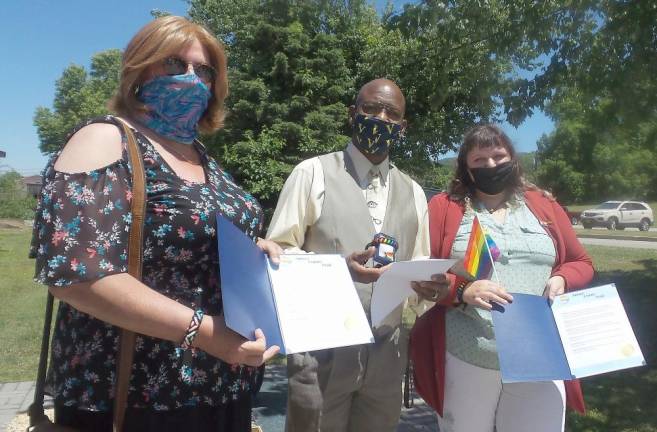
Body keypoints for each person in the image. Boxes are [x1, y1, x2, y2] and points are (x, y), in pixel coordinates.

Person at [29, 16, 280, 432]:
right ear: (138, 71)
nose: (191, 78)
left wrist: (256, 249)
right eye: (173, 64)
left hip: (221, 389)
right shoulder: (105, 139)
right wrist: (207, 333)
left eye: (204, 70)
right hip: (134, 397)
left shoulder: (201, 157)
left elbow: (191, 242)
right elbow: (75, 276)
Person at [266, 78, 448, 432]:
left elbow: (419, 265)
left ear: (403, 127)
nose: (380, 118)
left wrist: (427, 289)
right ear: (353, 114)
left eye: (391, 113)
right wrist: (336, 270)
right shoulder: (312, 172)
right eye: (370, 109)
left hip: (388, 354)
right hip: (321, 351)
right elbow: (278, 255)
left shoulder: (414, 192)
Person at [410, 124, 594, 432]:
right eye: (479, 160)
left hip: (539, 353)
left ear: (513, 159)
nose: (491, 165)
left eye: (498, 156)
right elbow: (423, 273)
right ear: (466, 168)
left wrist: (563, 278)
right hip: (468, 353)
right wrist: (461, 289)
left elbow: (581, 262)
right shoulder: (444, 207)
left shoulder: (543, 205)